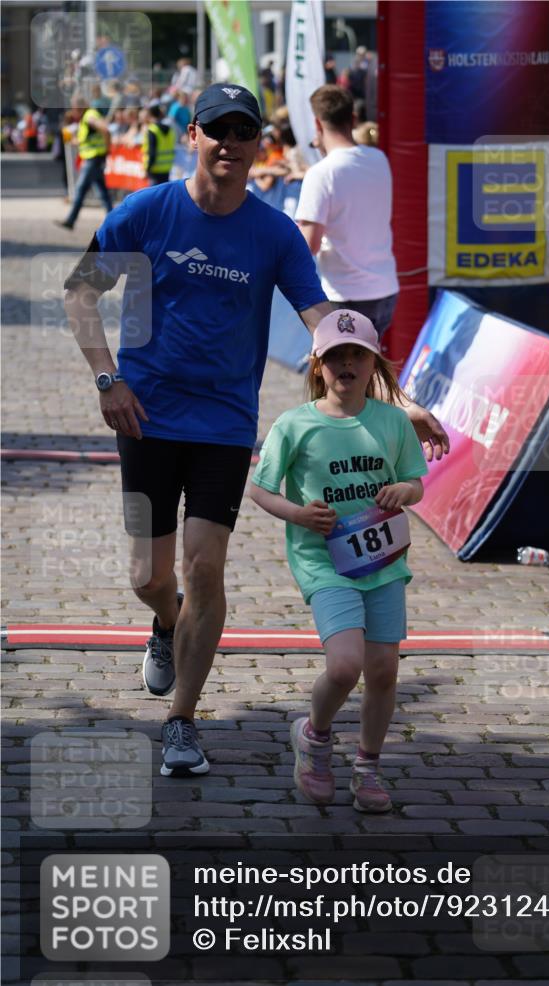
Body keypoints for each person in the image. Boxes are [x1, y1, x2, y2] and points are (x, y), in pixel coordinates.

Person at [62, 82, 448, 779]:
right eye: (219, 130)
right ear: (194, 135)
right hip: (144, 416)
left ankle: (181, 719)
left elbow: (326, 322)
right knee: (148, 577)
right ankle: (164, 621)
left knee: (204, 563)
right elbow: (80, 290)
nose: (231, 144)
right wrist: (106, 379)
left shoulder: (271, 233)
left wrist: (400, 398)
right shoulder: (145, 212)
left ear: (255, 145)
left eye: (244, 132)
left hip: (223, 425)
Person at [250, 310, 427, 812]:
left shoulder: (393, 421)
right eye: (335, 356)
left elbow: (416, 480)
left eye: (357, 355)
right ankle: (315, 736)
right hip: (325, 562)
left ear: (374, 363)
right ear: (317, 366)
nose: (346, 363)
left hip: (385, 558)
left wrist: (403, 490)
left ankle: (368, 765)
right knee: (346, 665)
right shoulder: (294, 424)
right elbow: (261, 490)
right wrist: (300, 514)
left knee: (385, 670)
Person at [296, 85, 399, 337]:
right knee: (370, 372)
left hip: (345, 296)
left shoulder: (321, 173)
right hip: (384, 290)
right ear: (352, 119)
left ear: (317, 125)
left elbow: (307, 245)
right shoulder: (379, 159)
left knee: (341, 377)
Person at [56, 100, 113, 230]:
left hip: (93, 159)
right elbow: (84, 141)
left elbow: (105, 130)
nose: (72, 112)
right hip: (93, 159)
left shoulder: (89, 116)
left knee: (80, 190)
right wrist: (70, 137)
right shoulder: (86, 118)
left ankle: (71, 220)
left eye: (73, 109)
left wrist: (107, 150)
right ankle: (113, 219)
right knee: (102, 193)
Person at [142, 103, 176, 185]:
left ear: (150, 115)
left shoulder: (152, 130)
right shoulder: (170, 129)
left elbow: (152, 153)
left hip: (155, 170)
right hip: (167, 168)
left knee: (154, 196)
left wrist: (147, 169)